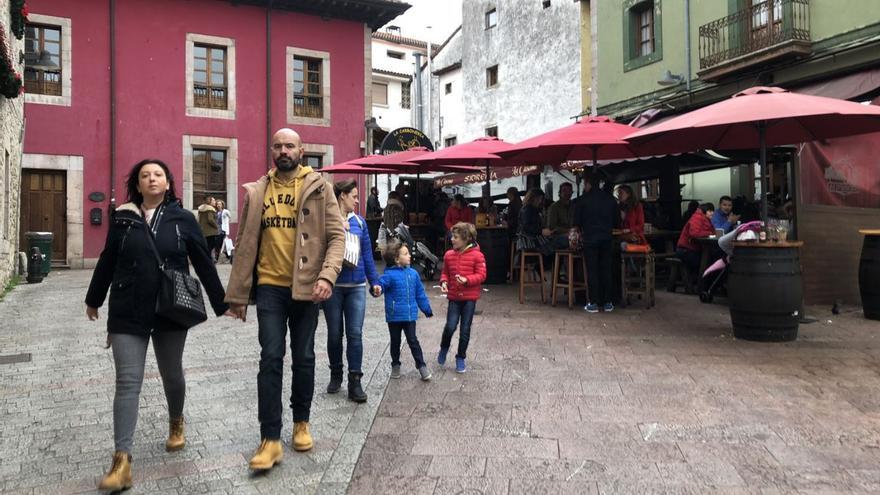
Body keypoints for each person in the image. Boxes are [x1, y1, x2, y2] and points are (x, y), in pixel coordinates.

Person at [85, 159, 229, 492]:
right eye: (145, 176)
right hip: (127, 309)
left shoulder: (182, 219)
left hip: (170, 308)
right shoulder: (122, 218)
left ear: (168, 183)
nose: (151, 179)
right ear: (136, 184)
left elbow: (203, 262)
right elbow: (109, 258)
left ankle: (176, 421)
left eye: (158, 175)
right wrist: (94, 299)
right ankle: (122, 459)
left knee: (171, 373)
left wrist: (223, 304)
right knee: (128, 381)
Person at [224, 128, 345, 471]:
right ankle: (270, 438)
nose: (283, 150)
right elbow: (245, 244)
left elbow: (338, 237)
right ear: (272, 151)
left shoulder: (320, 187)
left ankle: (301, 422)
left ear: (301, 151)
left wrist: (327, 275)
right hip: (269, 288)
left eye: (289, 145)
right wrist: (237, 295)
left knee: (304, 357)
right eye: (277, 145)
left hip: (308, 287)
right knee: (270, 359)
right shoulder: (259, 189)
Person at [322, 179, 381, 403]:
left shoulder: (361, 223)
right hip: (334, 286)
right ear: (342, 195)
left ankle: (355, 381)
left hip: (356, 287)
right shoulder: (327, 220)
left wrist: (374, 281)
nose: (357, 200)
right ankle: (336, 373)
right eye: (354, 196)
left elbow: (367, 255)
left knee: (355, 333)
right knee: (335, 334)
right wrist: (336, 226)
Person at [373, 239, 434, 381]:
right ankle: (395, 364)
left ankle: (421, 365)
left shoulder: (413, 274)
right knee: (395, 341)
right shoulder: (388, 275)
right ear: (396, 259)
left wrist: (426, 309)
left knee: (413, 340)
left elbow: (420, 293)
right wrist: (376, 289)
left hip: (410, 315)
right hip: (394, 316)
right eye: (405, 254)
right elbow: (380, 286)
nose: (409, 256)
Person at [438, 222, 486, 374]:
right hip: (454, 297)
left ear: (466, 239)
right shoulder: (448, 255)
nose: (452, 239)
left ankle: (461, 357)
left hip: (469, 298)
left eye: (456, 237)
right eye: (453, 236)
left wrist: (467, 280)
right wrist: (444, 282)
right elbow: (445, 273)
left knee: (465, 329)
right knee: (450, 326)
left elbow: (482, 275)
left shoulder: (478, 256)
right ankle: (444, 347)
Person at [573, 176, 619, 313]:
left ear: (588, 184)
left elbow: (577, 222)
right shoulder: (611, 200)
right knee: (606, 268)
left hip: (590, 238)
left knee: (592, 270)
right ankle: (607, 302)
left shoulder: (582, 200)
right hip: (607, 238)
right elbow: (617, 222)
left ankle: (593, 302)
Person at [676, 202, 717, 280]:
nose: (712, 213)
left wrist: (711, 233)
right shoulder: (697, 218)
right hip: (686, 250)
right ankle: (701, 285)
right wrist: (710, 233)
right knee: (706, 263)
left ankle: (703, 285)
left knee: (710, 259)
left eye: (713, 211)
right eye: (710, 211)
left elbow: (712, 231)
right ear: (704, 210)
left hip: (692, 249)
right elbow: (694, 233)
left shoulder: (706, 219)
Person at [516, 188, 552, 257]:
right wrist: (541, 231)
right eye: (540, 199)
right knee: (558, 243)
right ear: (534, 198)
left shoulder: (529, 209)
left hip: (530, 239)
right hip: (530, 241)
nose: (541, 201)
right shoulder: (528, 210)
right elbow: (527, 227)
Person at [546, 182, 574, 249]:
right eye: (564, 190)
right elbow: (551, 226)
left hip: (572, 234)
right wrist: (568, 231)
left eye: (569, 191)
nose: (567, 193)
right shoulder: (554, 207)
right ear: (560, 193)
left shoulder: (574, 206)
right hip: (557, 236)